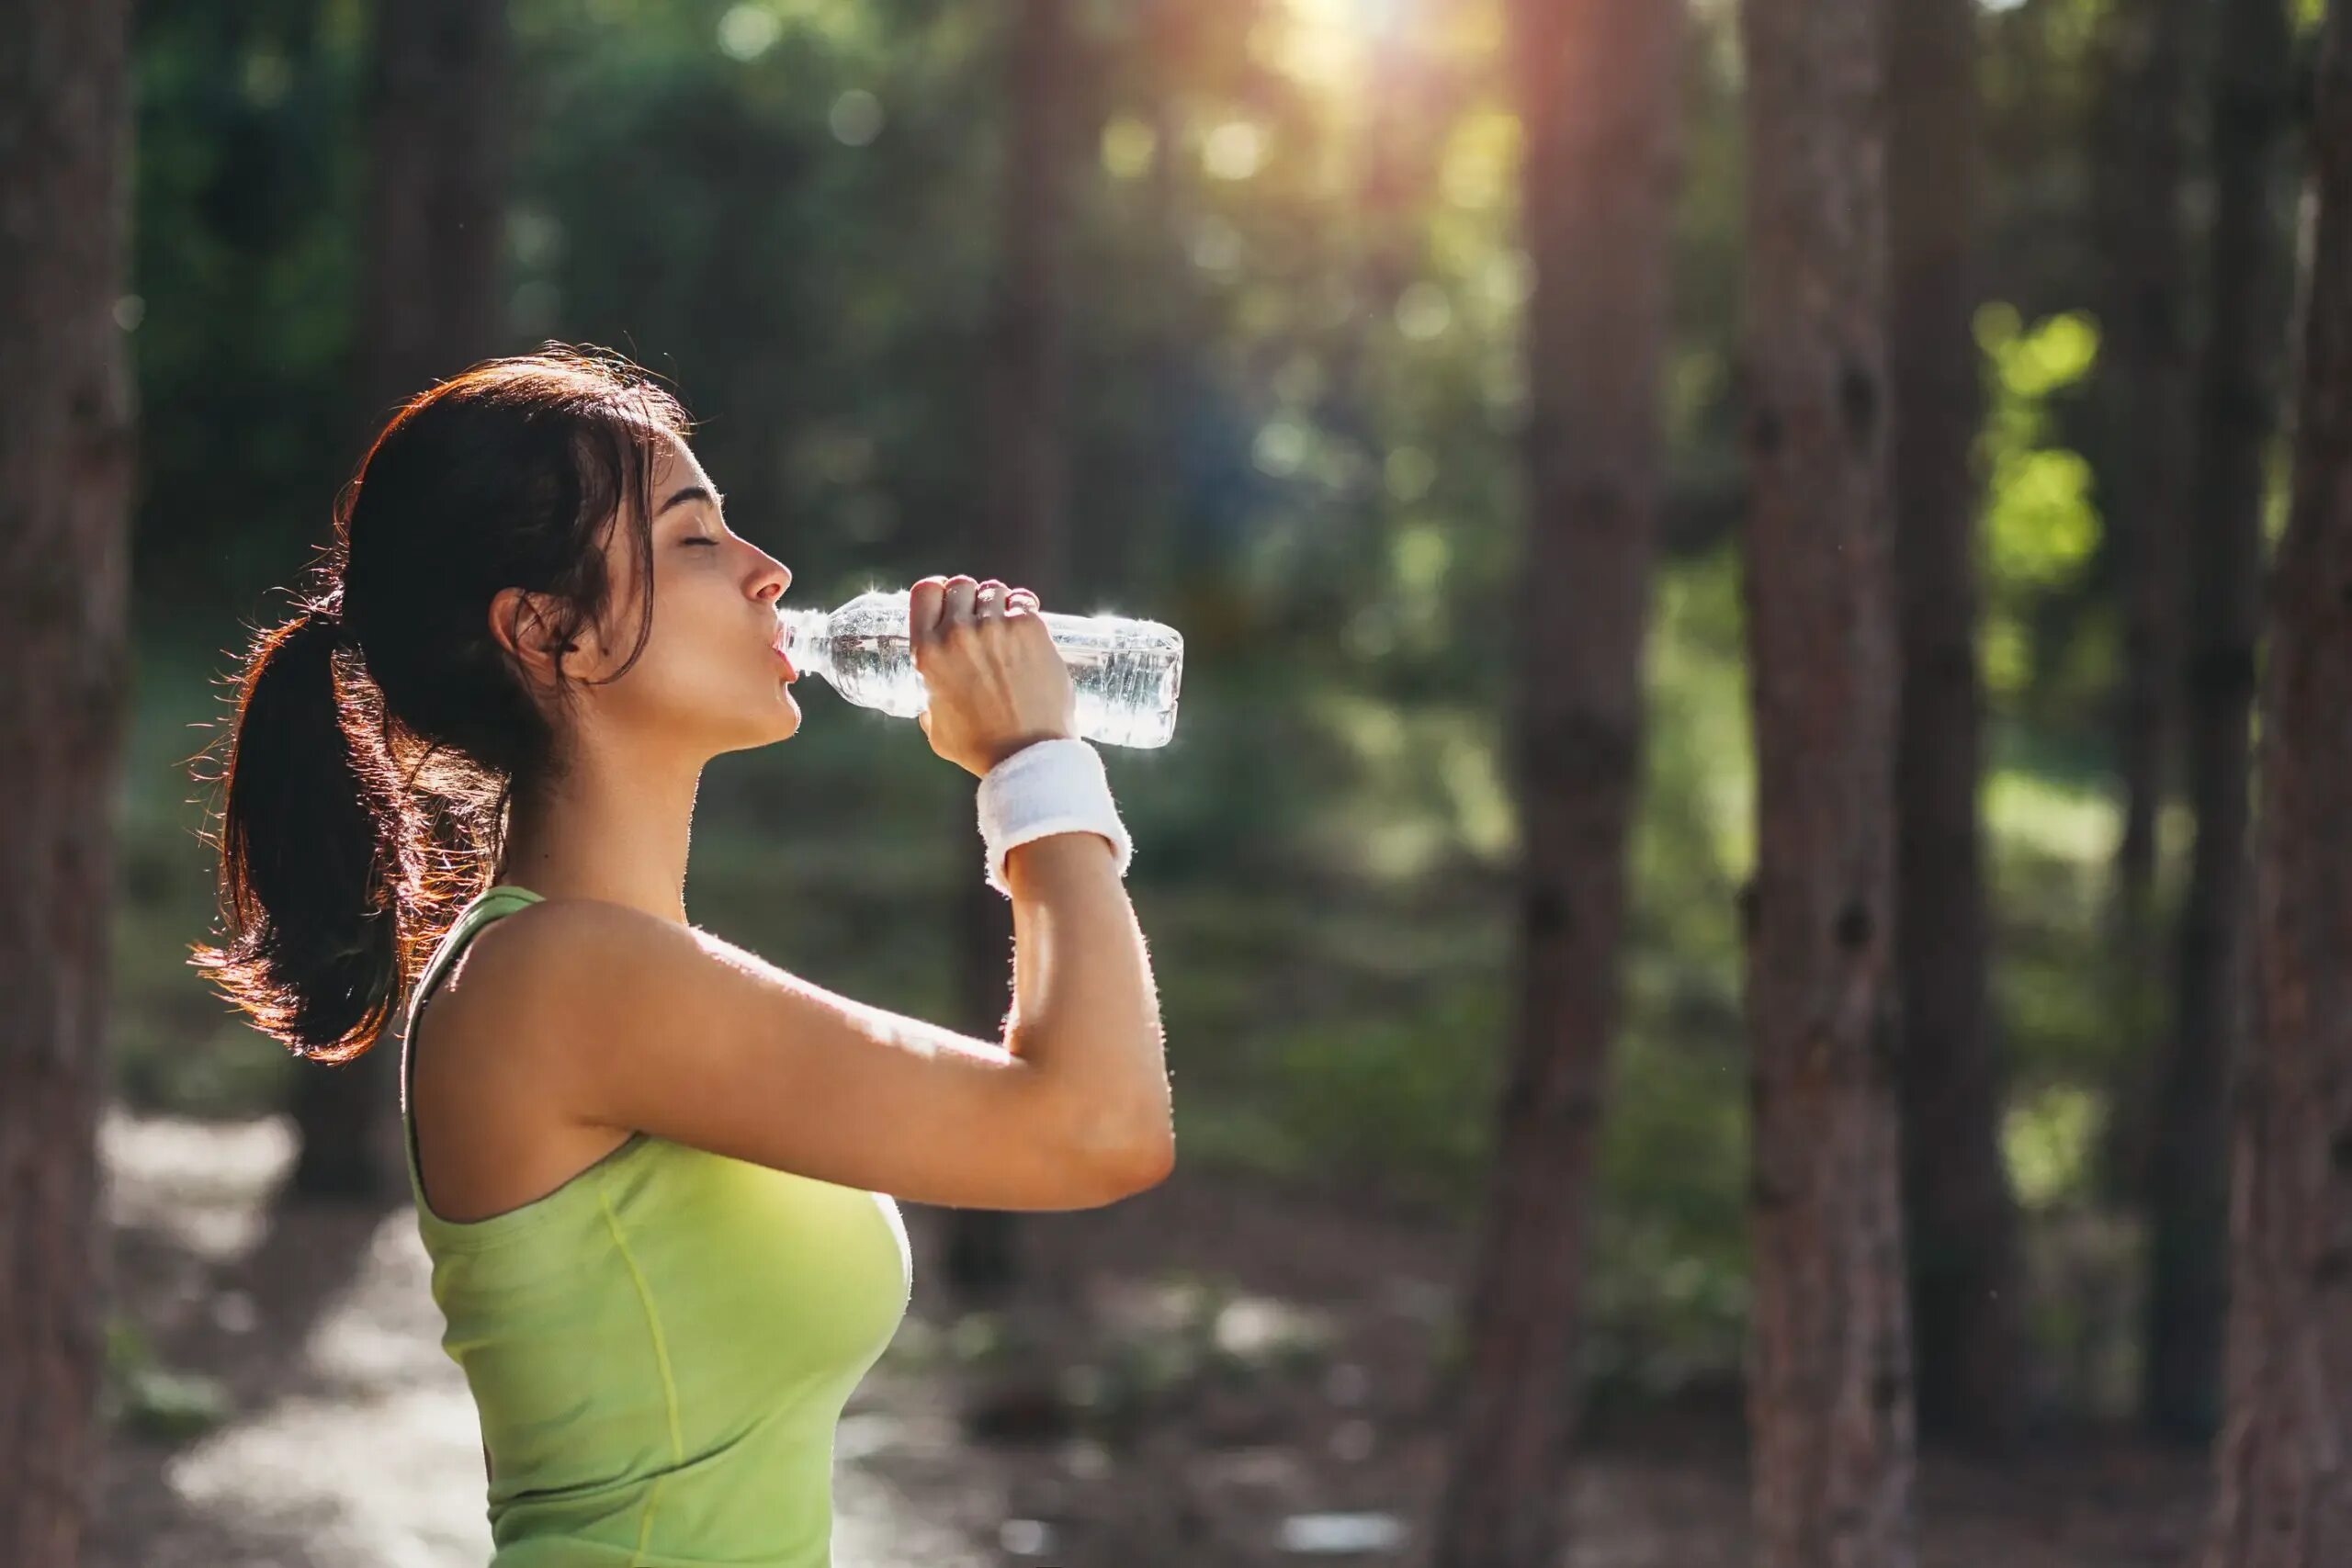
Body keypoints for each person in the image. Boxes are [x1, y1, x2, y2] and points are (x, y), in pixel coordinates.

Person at [189, 345, 1173, 1564]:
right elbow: (1095, 1128)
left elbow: (1074, 1112)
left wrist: (1038, 770)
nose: (772, 574)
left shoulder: (613, 968)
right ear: (553, 633)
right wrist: (1033, 765)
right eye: (696, 539)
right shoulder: (565, 979)